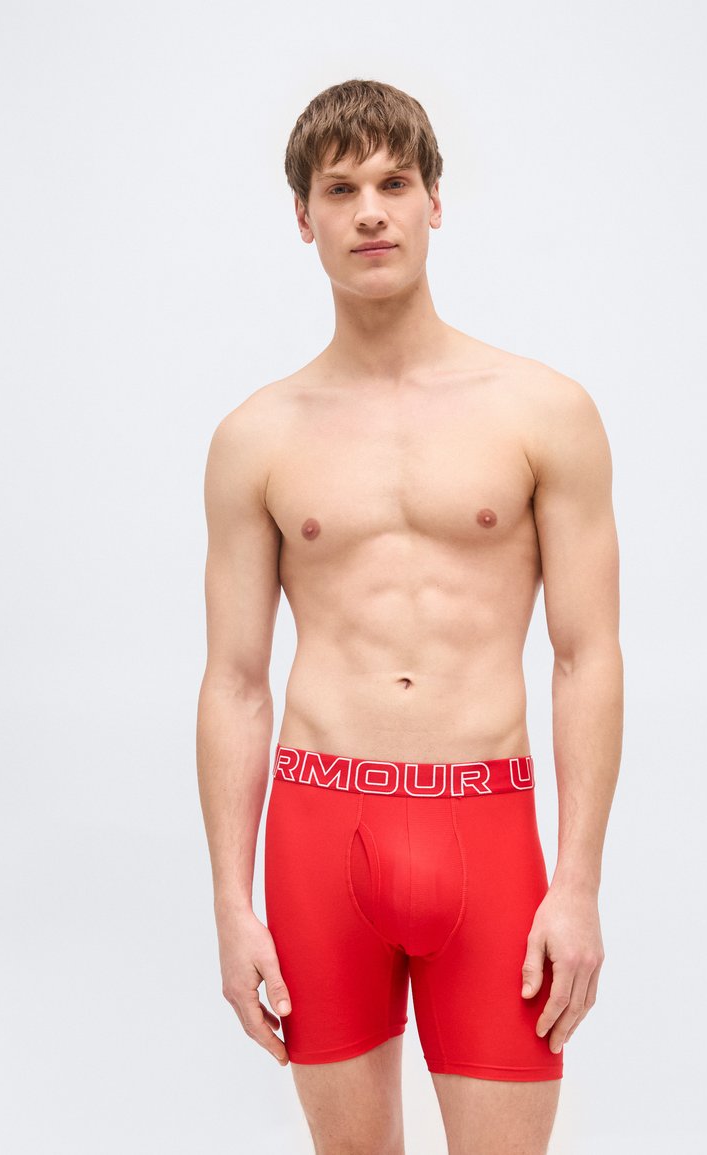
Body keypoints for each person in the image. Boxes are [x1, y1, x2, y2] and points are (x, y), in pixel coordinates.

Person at [196, 77, 623, 1155]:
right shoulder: (256, 437)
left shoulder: (543, 411)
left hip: (487, 830)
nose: (370, 212)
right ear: (304, 217)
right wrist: (231, 904)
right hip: (317, 833)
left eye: (394, 183)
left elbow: (586, 656)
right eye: (340, 190)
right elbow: (234, 682)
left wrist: (576, 882)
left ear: (435, 200)